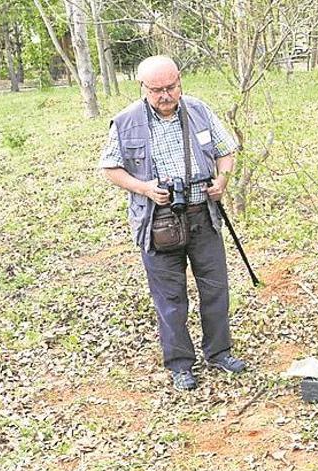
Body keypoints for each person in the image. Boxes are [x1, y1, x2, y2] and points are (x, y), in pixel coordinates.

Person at [99, 55, 245, 391]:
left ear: (180, 81)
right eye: (157, 90)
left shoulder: (198, 110)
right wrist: (145, 188)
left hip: (202, 217)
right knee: (170, 298)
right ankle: (180, 364)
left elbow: (226, 150)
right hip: (157, 223)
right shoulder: (125, 122)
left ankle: (219, 352)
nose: (166, 95)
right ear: (143, 88)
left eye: (171, 87)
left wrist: (222, 179)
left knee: (216, 289)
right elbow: (110, 168)